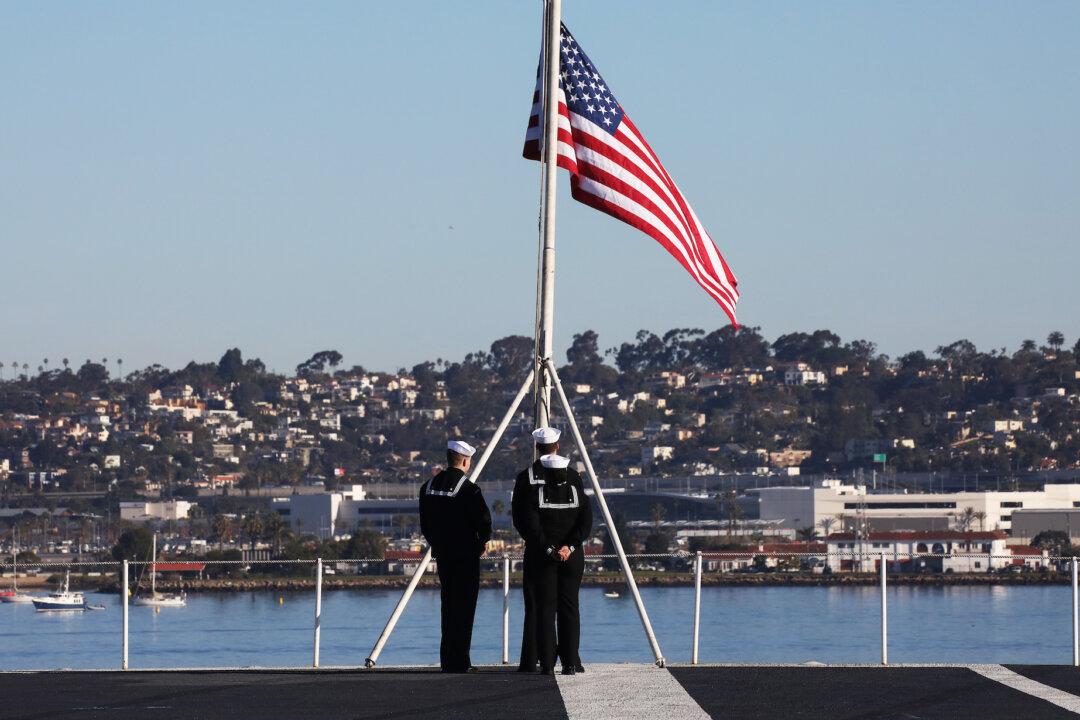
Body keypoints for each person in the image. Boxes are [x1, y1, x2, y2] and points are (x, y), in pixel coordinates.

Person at [517, 446, 593, 675]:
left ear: (547, 473)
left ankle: (548, 664)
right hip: (572, 557)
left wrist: (551, 550)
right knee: (570, 607)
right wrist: (569, 547)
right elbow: (585, 525)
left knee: (546, 609)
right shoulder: (579, 495)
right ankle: (570, 662)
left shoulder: (535, 496)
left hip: (545, 558)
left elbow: (532, 527)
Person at [418, 439, 492, 673]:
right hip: (466, 555)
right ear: (465, 461)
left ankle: (447, 659)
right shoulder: (468, 489)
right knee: (464, 607)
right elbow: (483, 520)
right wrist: (482, 541)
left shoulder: (428, 486)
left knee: (447, 605)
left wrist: (437, 543)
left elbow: (425, 524)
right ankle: (461, 661)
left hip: (443, 555)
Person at [510, 426, 560, 672]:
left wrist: (533, 538)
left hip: (534, 548)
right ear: (557, 446)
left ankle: (530, 659)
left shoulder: (525, 477)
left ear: (536, 447)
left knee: (533, 603)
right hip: (562, 550)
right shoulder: (568, 475)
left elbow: (518, 516)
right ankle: (566, 657)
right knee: (563, 605)